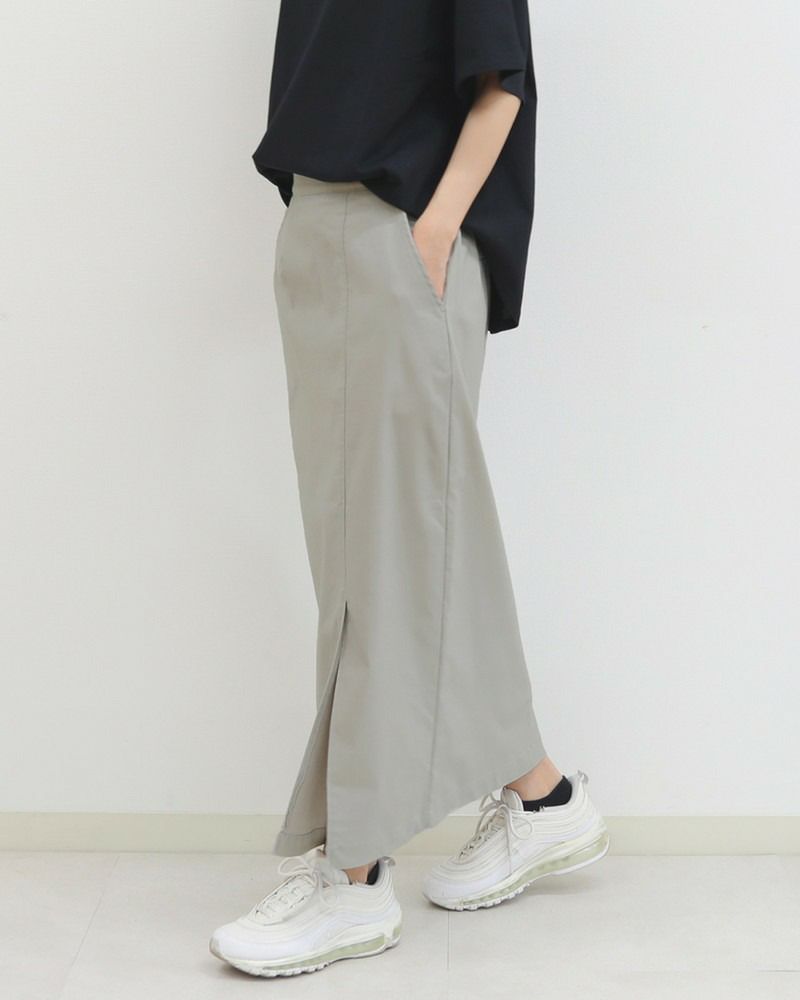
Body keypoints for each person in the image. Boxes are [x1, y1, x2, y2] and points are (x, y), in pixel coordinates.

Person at [210, 0, 609, 978]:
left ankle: (352, 878)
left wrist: (430, 229)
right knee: (383, 551)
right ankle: (541, 795)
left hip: (394, 235)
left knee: (379, 564)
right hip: (326, 227)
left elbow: (500, 84)